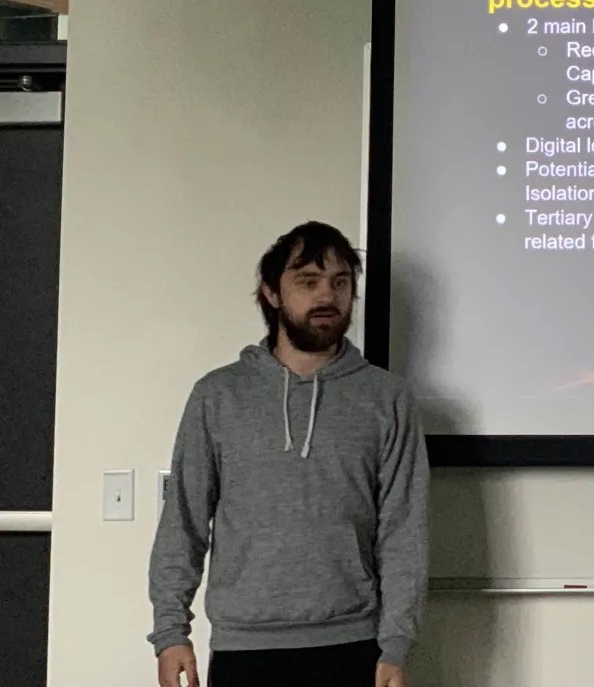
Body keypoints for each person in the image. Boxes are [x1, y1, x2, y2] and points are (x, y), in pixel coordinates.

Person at [148, 221, 430, 687]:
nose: (328, 295)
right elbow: (184, 520)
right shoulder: (217, 396)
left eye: (341, 283)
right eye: (308, 281)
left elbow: (404, 532)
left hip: (355, 646)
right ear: (272, 292)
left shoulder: (388, 399)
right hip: (244, 649)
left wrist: (397, 644)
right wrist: (170, 633)